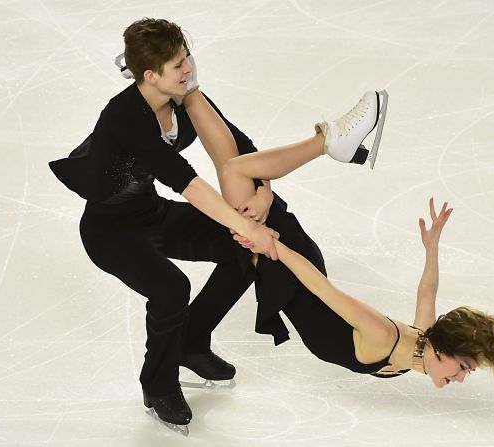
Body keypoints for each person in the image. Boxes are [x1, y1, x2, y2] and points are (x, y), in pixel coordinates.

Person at [48, 18, 384, 434]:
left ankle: (191, 340)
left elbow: (239, 147)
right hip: (110, 232)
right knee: (172, 289)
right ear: (150, 76)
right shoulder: (125, 116)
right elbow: (187, 182)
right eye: (177, 65)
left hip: (151, 213)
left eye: (187, 57)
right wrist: (254, 228)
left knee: (239, 247)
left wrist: (262, 195)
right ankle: (158, 385)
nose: (188, 69)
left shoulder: (184, 99)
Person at [186, 86, 494, 393]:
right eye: (462, 367)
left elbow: (427, 291)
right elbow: (321, 288)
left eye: (467, 371)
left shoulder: (421, 342)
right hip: (290, 267)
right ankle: (329, 138)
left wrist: (431, 250)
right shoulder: (384, 337)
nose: (460, 377)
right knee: (235, 172)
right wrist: (271, 246)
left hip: (290, 267)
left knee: (237, 169)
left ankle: (185, 89)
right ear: (442, 349)